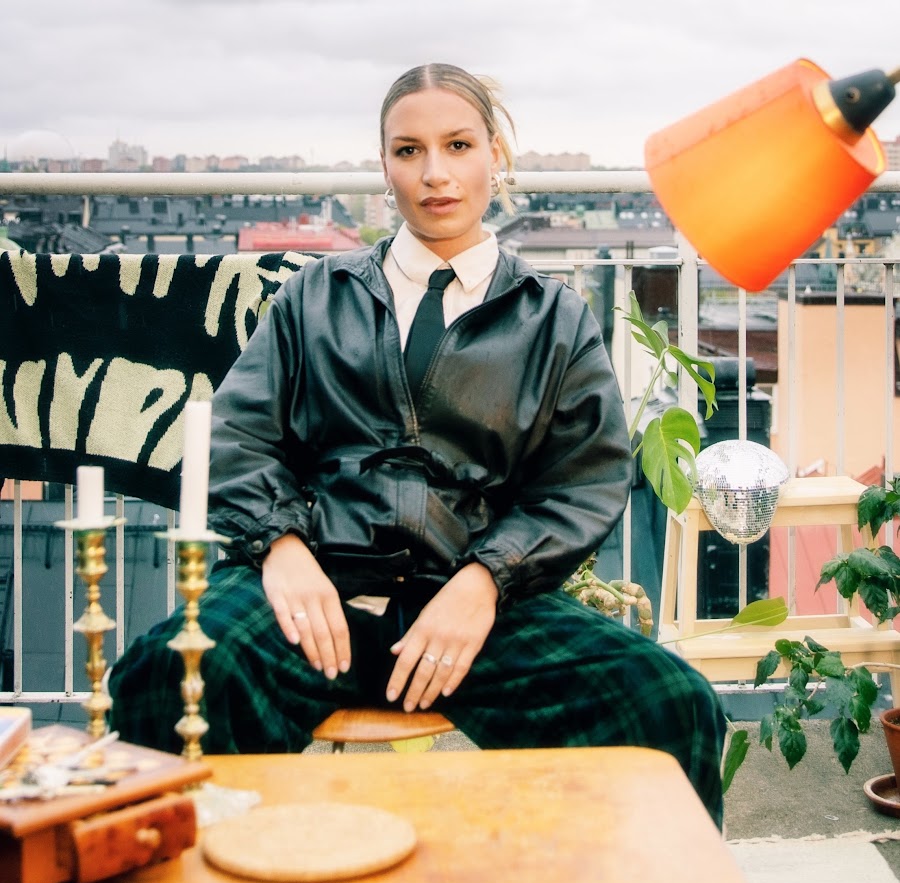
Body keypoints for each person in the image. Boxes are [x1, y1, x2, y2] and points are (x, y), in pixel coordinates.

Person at [109, 62, 726, 827]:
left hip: (473, 604)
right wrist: (282, 549)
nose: (435, 173)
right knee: (166, 674)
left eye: (458, 145)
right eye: (409, 151)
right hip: (316, 593)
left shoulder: (553, 318)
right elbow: (238, 434)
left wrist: (486, 580)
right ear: (385, 165)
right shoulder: (315, 296)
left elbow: (583, 481)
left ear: (495, 154)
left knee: (669, 704)